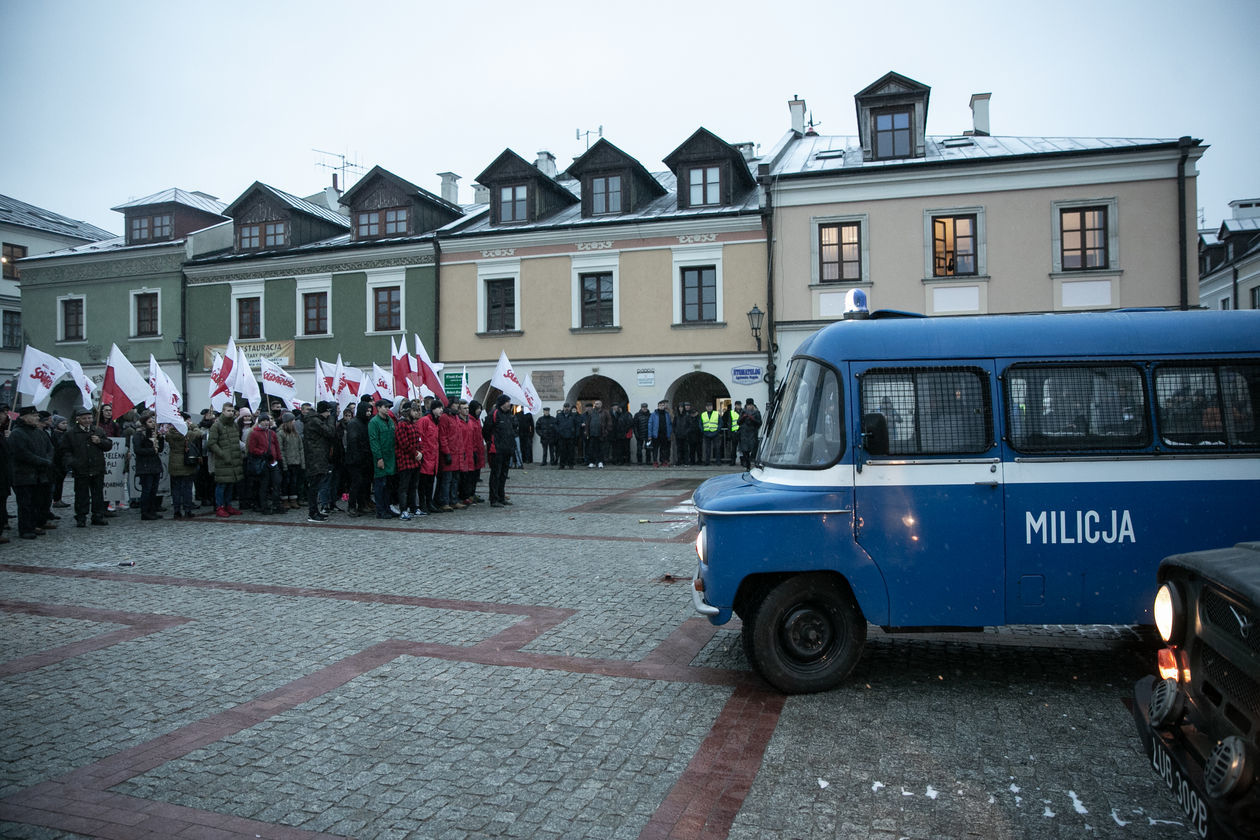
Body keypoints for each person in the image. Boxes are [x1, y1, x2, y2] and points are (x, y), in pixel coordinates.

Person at [58, 406, 113, 527]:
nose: (88, 420)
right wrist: (73, 463)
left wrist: (100, 442)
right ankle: (81, 517)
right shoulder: (71, 433)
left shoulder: (98, 431)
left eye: (89, 418)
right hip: (81, 469)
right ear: (78, 419)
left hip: (97, 468)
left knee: (97, 494)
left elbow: (109, 445)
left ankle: (97, 515)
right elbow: (65, 451)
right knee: (81, 495)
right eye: (84, 418)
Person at [10, 406, 55, 539]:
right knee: (25, 504)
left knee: (37, 502)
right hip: (23, 475)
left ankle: (35, 524)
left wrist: (47, 459)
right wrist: (42, 461)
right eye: (34, 416)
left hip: (40, 475)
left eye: (37, 416)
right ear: (24, 417)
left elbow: (50, 448)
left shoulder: (40, 432)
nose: (37, 418)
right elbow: (22, 454)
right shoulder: (17, 433)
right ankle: (25, 529)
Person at [302, 401, 336, 522]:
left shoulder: (316, 420)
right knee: (314, 486)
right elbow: (330, 432)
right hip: (315, 458)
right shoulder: (315, 421)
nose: (328, 414)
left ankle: (315, 511)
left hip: (318, 457)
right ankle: (312, 513)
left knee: (316, 485)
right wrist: (332, 418)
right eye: (328, 411)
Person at [208, 403, 244, 517]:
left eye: (232, 411)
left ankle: (228, 505)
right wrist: (223, 454)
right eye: (228, 410)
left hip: (234, 460)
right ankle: (220, 506)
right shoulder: (216, 426)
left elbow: (236, 440)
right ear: (223, 411)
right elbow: (212, 443)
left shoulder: (234, 425)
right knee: (222, 485)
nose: (231, 413)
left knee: (230, 484)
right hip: (223, 460)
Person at [165, 411, 201, 519]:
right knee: (187, 488)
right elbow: (199, 433)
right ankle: (187, 510)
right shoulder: (187, 434)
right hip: (186, 463)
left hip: (174, 463)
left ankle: (176, 511)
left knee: (175, 489)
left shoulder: (169, 434)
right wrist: (192, 425)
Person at [246, 413, 284, 515]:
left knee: (277, 483)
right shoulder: (254, 433)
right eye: (264, 420)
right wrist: (262, 453)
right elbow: (251, 448)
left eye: (267, 420)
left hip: (274, 462)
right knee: (264, 485)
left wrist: (279, 459)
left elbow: (276, 447)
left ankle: (277, 504)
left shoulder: (272, 433)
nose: (266, 422)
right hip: (263, 462)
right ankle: (264, 506)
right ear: (259, 421)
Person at [368, 398, 398, 519]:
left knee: (388, 486)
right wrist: (379, 457)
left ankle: (387, 507)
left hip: (391, 457)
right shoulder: (374, 422)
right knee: (380, 485)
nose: (387, 409)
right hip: (381, 458)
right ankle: (380, 510)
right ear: (378, 408)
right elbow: (374, 441)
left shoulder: (390, 420)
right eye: (385, 407)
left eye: (388, 407)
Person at [132, 414, 165, 520]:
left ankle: (152, 510)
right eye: (150, 422)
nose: (153, 423)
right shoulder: (139, 434)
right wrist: (152, 450)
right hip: (145, 466)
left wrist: (160, 438)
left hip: (155, 465)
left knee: (153, 490)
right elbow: (138, 450)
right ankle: (145, 511)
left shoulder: (154, 434)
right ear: (144, 423)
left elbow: (159, 449)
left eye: (153, 421)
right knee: (147, 489)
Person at [394, 401, 424, 519]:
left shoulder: (413, 424)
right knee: (404, 488)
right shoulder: (401, 425)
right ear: (407, 412)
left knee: (413, 486)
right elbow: (404, 444)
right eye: (414, 410)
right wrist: (416, 453)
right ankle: (403, 510)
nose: (416, 413)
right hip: (405, 461)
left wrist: (420, 452)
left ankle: (414, 508)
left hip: (415, 461)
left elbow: (419, 440)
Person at [485, 394, 515, 507]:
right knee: (495, 475)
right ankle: (494, 499)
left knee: (503, 475)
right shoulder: (494, 414)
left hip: (507, 449)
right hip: (497, 450)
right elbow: (486, 431)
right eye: (507, 401)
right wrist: (492, 442)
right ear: (502, 403)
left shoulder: (508, 415)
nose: (509, 403)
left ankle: (501, 497)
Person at [344, 400, 373, 516]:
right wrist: (357, 457)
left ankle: (362, 504)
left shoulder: (367, 422)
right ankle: (351, 506)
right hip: (355, 460)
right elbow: (353, 442)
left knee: (365, 483)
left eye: (370, 411)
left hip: (366, 458)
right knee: (356, 483)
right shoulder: (353, 423)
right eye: (367, 411)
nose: (369, 413)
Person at [417, 400, 442, 513]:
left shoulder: (436, 422)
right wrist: (421, 453)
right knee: (423, 483)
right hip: (425, 457)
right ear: (432, 409)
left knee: (430, 482)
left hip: (433, 458)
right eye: (438, 408)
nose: (441, 410)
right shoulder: (424, 420)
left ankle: (429, 502)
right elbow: (420, 437)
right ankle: (422, 504)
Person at [278, 412, 304, 510]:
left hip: (296, 461)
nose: (294, 422)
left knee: (294, 482)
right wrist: (284, 463)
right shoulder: (280, 433)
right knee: (286, 482)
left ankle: (293, 499)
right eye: (292, 420)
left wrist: (302, 462)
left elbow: (300, 448)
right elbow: (281, 449)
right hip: (287, 462)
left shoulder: (295, 433)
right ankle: (285, 499)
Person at [584, 399, 610, 468]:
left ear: (601, 405)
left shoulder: (605, 412)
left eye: (598, 403)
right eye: (595, 404)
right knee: (591, 449)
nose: (596, 405)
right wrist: (587, 431)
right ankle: (592, 462)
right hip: (592, 434)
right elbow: (587, 423)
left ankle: (600, 462)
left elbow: (609, 422)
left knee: (600, 449)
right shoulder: (591, 412)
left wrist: (606, 431)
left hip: (601, 434)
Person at [737, 398, 762, 469]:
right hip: (744, 434)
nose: (749, 407)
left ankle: (754, 464)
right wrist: (743, 417)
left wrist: (752, 419)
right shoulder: (743, 411)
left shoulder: (757, 412)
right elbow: (738, 422)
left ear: (753, 405)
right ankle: (748, 466)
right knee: (745, 451)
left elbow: (759, 423)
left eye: (750, 405)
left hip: (752, 434)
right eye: (748, 405)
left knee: (753, 449)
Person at [648, 400, 672, 467]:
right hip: (656, 435)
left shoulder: (667, 414)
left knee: (663, 449)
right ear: (658, 406)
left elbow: (669, 425)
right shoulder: (653, 414)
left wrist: (669, 434)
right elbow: (650, 424)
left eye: (663, 405)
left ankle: (663, 461)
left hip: (664, 434)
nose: (661, 407)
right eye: (660, 405)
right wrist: (649, 435)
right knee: (655, 449)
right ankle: (655, 461)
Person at [555, 403, 578, 469]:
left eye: (568, 407)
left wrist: (575, 433)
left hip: (571, 436)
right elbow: (555, 424)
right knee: (562, 451)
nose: (566, 408)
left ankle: (571, 464)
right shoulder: (559, 415)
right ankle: (562, 465)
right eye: (565, 407)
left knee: (571, 451)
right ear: (563, 407)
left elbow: (576, 425)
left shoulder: (573, 415)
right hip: (562, 436)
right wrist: (559, 430)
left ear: (569, 408)